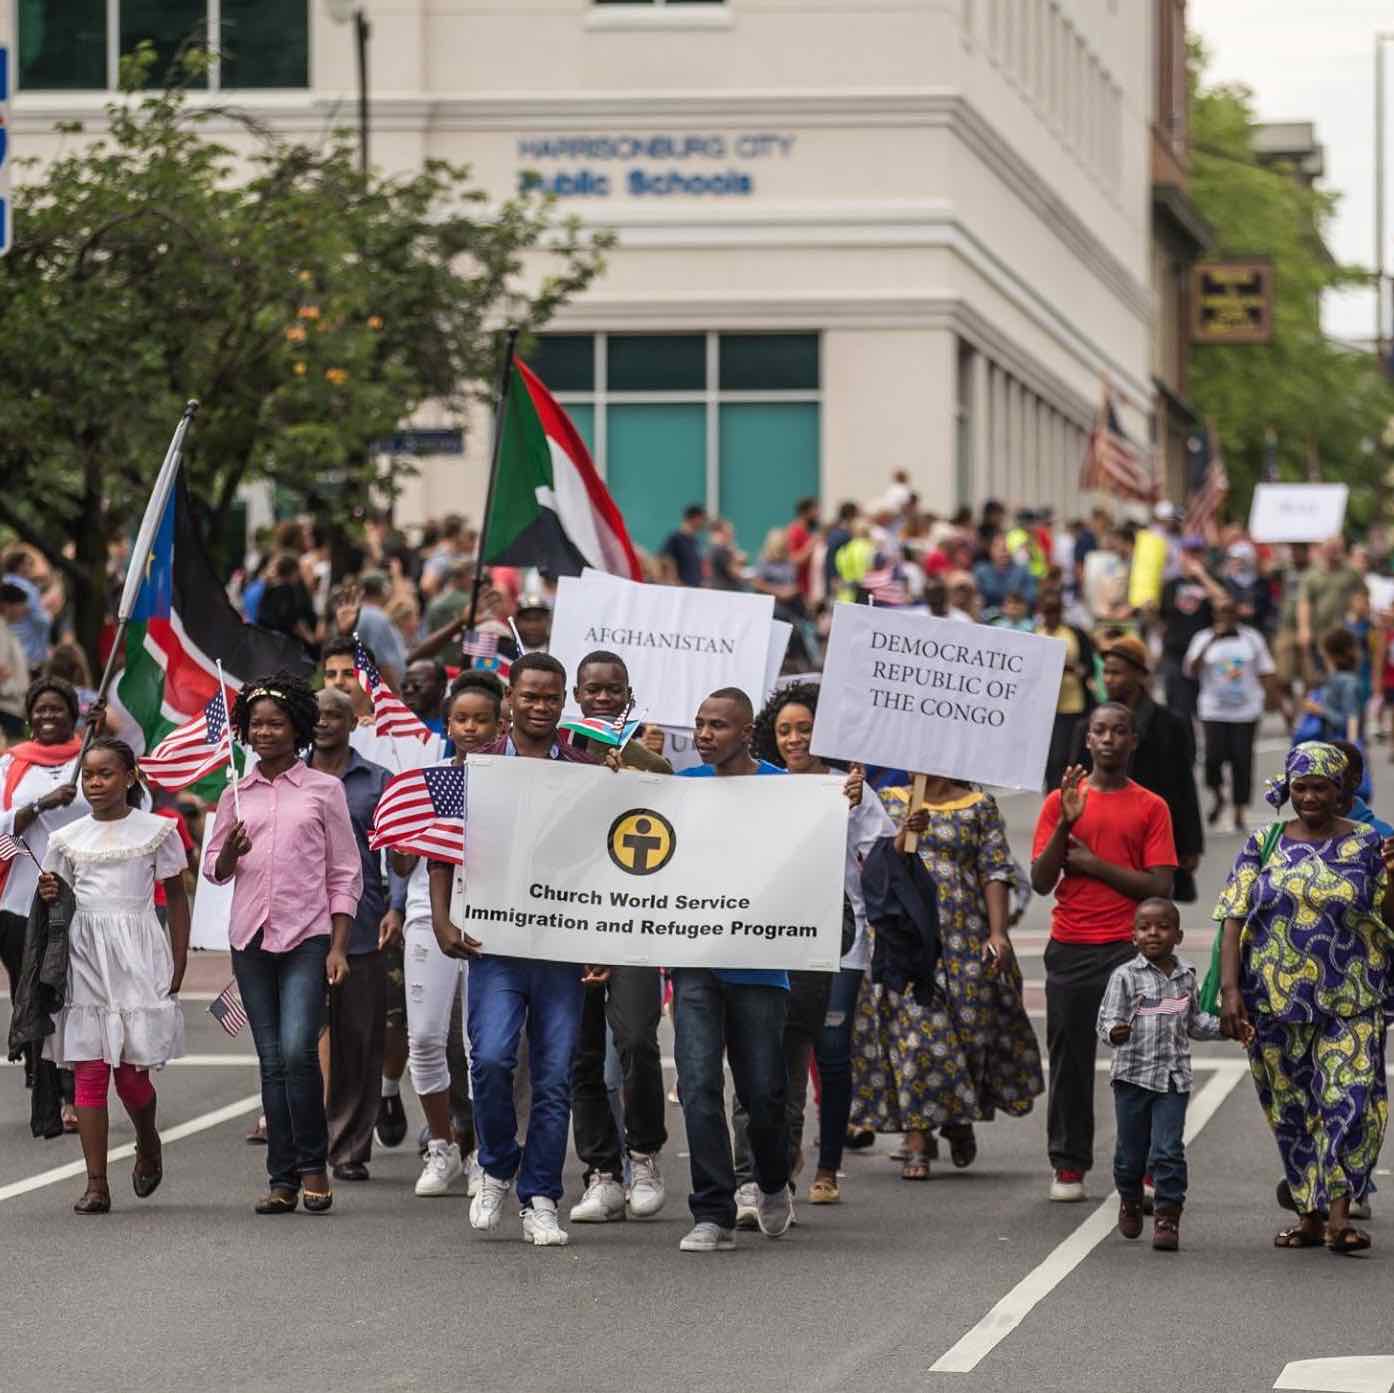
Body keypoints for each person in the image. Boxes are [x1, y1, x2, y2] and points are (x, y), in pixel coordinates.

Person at [427, 652, 608, 1248]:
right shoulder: (477, 766)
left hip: (560, 946)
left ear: (564, 703)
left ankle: (540, 1197)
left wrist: (602, 938)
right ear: (511, 699)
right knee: (493, 1060)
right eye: (529, 696)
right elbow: (441, 846)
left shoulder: (585, 769)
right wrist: (442, 916)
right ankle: (496, 1165)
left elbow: (600, 864)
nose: (539, 706)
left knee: (555, 1077)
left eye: (550, 697)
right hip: (493, 943)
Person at [1217, 743, 1394, 1255]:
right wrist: (1231, 992)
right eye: (1301, 787)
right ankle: (1310, 1217)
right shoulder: (1264, 842)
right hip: (1274, 1003)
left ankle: (1341, 1219)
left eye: (1321, 787)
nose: (1310, 797)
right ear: (1289, 789)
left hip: (1351, 999)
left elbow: (1389, 916)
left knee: (1350, 1100)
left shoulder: (1369, 844)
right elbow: (1233, 916)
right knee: (1292, 1109)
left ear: (1342, 790)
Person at [205, 673, 361, 1215]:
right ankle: (282, 1178)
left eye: (276, 723)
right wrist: (229, 851)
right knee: (270, 1061)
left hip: (308, 939)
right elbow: (216, 872)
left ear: (297, 728)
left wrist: (339, 947)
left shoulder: (324, 790)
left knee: (298, 1052)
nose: (265, 732)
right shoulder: (234, 794)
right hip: (250, 941)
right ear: (244, 733)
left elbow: (344, 874)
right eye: (256, 725)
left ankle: (314, 1164)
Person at [853, 767, 1042, 1181]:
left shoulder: (979, 806)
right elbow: (877, 861)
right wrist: (904, 833)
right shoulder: (890, 800)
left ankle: (958, 1119)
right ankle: (918, 1137)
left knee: (969, 1031)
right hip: (905, 935)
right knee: (916, 1035)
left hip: (962, 933)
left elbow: (994, 870)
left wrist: (997, 933)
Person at [744, 683, 890, 1208]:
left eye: (805, 729)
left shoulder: (848, 788)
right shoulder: (761, 785)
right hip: (775, 939)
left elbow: (881, 859)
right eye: (784, 730)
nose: (795, 739)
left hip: (840, 941)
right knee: (778, 1054)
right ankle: (781, 1156)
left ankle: (827, 1165)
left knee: (830, 1052)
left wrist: (855, 809)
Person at [33, 739, 189, 1213]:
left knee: (131, 1078)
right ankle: (96, 1182)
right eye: (88, 776)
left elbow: (177, 899)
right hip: (84, 957)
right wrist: (49, 892)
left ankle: (148, 1140)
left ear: (130, 776)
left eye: (105, 774)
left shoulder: (158, 831)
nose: (95, 783)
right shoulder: (66, 838)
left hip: (137, 956)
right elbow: (57, 901)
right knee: (90, 1068)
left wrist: (179, 961)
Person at [1031, 705, 1177, 1201]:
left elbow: (1158, 885)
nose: (1109, 739)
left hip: (1130, 951)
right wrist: (1063, 828)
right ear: (1087, 741)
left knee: (1143, 1063)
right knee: (1070, 1060)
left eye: (1119, 731)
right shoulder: (1062, 801)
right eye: (1100, 731)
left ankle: (1148, 1164)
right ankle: (1069, 1164)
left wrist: (1094, 863)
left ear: (1133, 741)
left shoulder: (1151, 806)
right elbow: (1041, 880)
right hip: (1071, 946)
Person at [671, 688, 794, 1251]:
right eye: (699, 724)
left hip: (760, 967)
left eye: (717, 726)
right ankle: (713, 1212)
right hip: (696, 964)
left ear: (746, 733)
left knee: (763, 1093)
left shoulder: (783, 789)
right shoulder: (682, 788)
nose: (703, 735)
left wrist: (845, 800)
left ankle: (769, 1180)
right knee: (697, 1086)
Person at [567, 651, 672, 1224]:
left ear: (628, 695)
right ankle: (602, 1173)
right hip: (569, 925)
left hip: (633, 924)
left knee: (636, 1041)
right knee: (580, 1052)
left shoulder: (649, 761)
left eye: (613, 690)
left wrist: (634, 765)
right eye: (592, 690)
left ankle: (644, 1156)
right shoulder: (556, 756)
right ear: (577, 696)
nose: (602, 698)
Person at [396, 673, 501, 1199]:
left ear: (499, 723)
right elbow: (400, 863)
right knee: (425, 1039)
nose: (471, 728)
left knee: (480, 1047)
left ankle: (485, 1153)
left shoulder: (515, 781)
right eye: (461, 719)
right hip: (426, 916)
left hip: (493, 921)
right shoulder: (429, 776)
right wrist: (400, 832)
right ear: (448, 722)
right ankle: (442, 1146)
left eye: (482, 718)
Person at [1098, 898, 1234, 1252]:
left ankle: (1167, 1216)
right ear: (1133, 936)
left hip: (1173, 1080)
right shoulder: (1125, 977)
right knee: (1131, 1154)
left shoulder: (1186, 976)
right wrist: (1115, 1032)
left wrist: (1227, 1028)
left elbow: (1194, 1024)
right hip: (1132, 1078)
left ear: (1178, 935)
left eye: (1162, 927)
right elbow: (1106, 1020)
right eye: (1144, 928)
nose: (1153, 934)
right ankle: (1129, 1197)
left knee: (1168, 1150)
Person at [307, 687, 393, 1183]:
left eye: (335, 714)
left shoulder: (377, 781)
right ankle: (306, 1139)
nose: (324, 722)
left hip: (361, 929)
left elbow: (394, 851)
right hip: (300, 928)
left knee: (359, 1043)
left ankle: (350, 1149)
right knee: (304, 1040)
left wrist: (396, 907)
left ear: (353, 722)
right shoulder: (291, 777)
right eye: (316, 715)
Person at [0, 676, 90, 1128]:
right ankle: (45, 1084)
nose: (47, 716)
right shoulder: (12, 764)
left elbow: (133, 798)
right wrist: (40, 804)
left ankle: (74, 1093)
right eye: (40, 709)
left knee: (74, 995)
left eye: (57, 709)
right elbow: (0, 826)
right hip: (21, 903)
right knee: (34, 994)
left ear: (73, 715)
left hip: (84, 899)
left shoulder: (91, 757)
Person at [1072, 636, 1202, 898]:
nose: (1108, 679)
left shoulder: (1170, 725)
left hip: (1154, 835)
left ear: (1140, 674)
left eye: (1117, 672)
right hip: (1104, 836)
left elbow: (1184, 785)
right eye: (1105, 672)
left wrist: (1190, 844)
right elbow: (1075, 784)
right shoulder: (1088, 728)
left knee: (1152, 915)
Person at [1183, 594, 1276, 835]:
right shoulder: (1202, 638)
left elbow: (1266, 670)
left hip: (1246, 711)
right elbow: (1191, 670)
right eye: (1220, 613)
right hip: (1213, 710)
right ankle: (1218, 794)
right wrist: (1212, 640)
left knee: (1242, 761)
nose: (1225, 617)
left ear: (1237, 614)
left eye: (1229, 612)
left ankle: (1239, 811)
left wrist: (1272, 698)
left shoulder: (1251, 638)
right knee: (1213, 758)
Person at [1158, 539, 1226, 725]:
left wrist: (1202, 577)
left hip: (1206, 654)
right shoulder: (1171, 585)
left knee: (1210, 710)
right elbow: (1162, 620)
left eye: (1197, 553)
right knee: (1179, 711)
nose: (1192, 558)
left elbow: (1224, 602)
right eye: (1188, 553)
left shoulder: (1213, 581)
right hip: (1177, 653)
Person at [1036, 584, 1095, 793]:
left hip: (1072, 705)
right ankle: (1052, 798)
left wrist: (1070, 667)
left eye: (1055, 611)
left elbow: (1088, 668)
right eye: (1047, 611)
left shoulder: (1074, 634)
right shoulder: (1035, 633)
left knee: (1068, 757)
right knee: (1050, 760)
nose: (1051, 615)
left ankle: (1071, 794)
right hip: (1044, 707)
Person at [1298, 538, 1365, 679]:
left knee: (1345, 670)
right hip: (1320, 631)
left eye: (1337, 548)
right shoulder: (1312, 575)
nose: (1333, 552)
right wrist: (1304, 628)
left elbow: (1362, 595)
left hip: (1345, 630)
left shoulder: (1351, 573)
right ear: (1323, 550)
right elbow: (1304, 602)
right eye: (1331, 548)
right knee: (1320, 671)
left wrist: (1357, 615)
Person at [1304, 627, 1364, 743]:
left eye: (1324, 654)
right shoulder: (1330, 679)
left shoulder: (1348, 682)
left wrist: (1320, 710)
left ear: (1332, 655)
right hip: (1331, 745)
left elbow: (1350, 720)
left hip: (1341, 749)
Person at [973, 534, 1036, 620]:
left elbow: (1030, 598)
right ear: (991, 550)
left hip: (1017, 621)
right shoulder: (981, 571)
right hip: (987, 619)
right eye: (999, 547)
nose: (1004, 551)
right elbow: (976, 600)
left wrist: (1013, 608)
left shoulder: (1023, 571)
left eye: (1007, 548)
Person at [660, 505, 707, 589]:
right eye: (703, 519)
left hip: (696, 588)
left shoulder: (695, 541)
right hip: (681, 590)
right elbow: (665, 559)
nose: (704, 523)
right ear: (695, 518)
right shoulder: (675, 538)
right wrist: (675, 581)